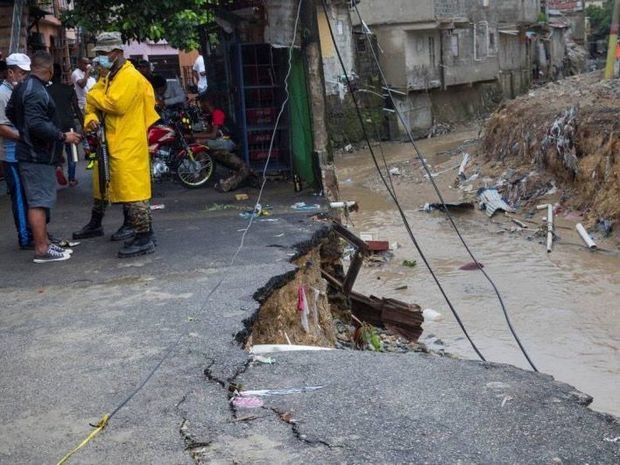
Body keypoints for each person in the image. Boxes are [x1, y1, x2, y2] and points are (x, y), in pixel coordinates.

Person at [72, 32, 160, 258]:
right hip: (112, 141)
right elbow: (95, 98)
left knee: (133, 191)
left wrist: (93, 99)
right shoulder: (110, 75)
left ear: (116, 52)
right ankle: (134, 230)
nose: (99, 58)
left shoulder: (130, 77)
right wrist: (91, 118)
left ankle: (145, 236)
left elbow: (114, 104)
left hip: (128, 142)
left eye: (102, 53)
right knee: (114, 186)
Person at [7, 51, 82, 263]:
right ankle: (41, 248)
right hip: (35, 154)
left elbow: (12, 112)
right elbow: (36, 124)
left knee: (40, 200)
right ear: (48, 70)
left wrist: (25, 131)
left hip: (35, 152)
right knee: (38, 202)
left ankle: (45, 243)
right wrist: (62, 136)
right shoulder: (35, 91)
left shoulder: (24, 87)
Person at [1, 53, 32, 250]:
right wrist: (26, 137)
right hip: (11, 154)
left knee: (29, 195)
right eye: (21, 73)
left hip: (24, 152)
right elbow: (2, 128)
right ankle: (24, 237)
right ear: (10, 72)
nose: (24, 77)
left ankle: (33, 231)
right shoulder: (3, 94)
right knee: (19, 196)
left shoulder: (20, 91)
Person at [195, 91, 250, 192]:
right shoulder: (211, 115)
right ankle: (202, 173)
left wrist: (195, 137)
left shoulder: (218, 113)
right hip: (222, 141)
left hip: (230, 142)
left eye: (201, 104)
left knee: (200, 143)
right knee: (198, 142)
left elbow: (213, 135)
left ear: (207, 103)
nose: (201, 106)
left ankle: (200, 173)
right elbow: (208, 132)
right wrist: (192, 135)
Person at [47, 63, 82, 187]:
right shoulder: (68, 89)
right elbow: (76, 108)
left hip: (54, 125)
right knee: (72, 152)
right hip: (69, 123)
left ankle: (57, 167)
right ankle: (72, 178)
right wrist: (83, 123)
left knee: (56, 150)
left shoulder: (47, 91)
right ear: (61, 75)